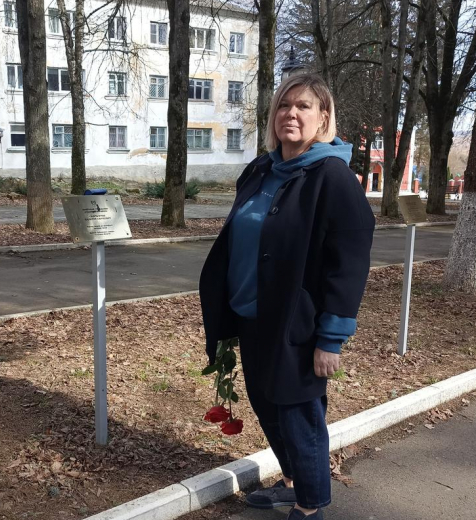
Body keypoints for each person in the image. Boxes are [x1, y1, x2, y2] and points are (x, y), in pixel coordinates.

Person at [199, 73, 375, 520]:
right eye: (283, 105)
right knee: (267, 406)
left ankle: (311, 505)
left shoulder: (332, 177)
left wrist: (331, 337)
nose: (290, 114)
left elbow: (349, 263)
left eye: (303, 106)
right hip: (251, 316)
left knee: (298, 415)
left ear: (323, 118)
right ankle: (293, 481)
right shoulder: (259, 170)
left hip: (298, 324)